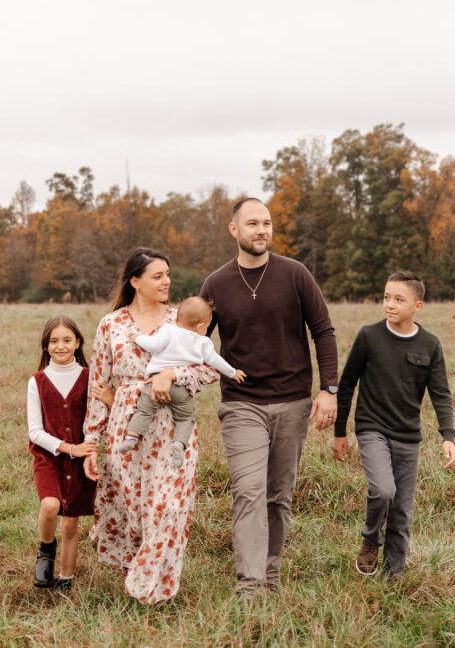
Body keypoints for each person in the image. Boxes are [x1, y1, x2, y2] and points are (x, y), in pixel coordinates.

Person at [199, 197, 339, 600]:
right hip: (241, 404)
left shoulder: (296, 274)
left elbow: (324, 332)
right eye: (253, 224)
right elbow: (195, 343)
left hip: (293, 402)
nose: (262, 230)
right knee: (248, 491)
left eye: (267, 223)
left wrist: (329, 390)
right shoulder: (216, 284)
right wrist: (167, 377)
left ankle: (270, 574)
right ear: (234, 230)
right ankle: (249, 586)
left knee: (278, 497)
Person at [82, 248, 219, 604]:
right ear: (135, 281)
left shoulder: (182, 318)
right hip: (126, 428)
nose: (167, 282)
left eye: (168, 275)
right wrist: (91, 444)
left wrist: (173, 373)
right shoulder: (111, 324)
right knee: (134, 509)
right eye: (157, 276)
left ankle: (149, 584)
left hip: (172, 425)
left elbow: (209, 368)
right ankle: (139, 575)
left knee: (168, 506)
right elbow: (98, 386)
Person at [331, 271, 455, 580]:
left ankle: (394, 577)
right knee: (383, 490)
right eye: (386, 297)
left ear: (418, 305)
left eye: (399, 299)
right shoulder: (368, 336)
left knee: (402, 511)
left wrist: (448, 435)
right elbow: (346, 385)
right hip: (372, 428)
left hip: (408, 437)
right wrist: (340, 432)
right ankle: (371, 538)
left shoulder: (429, 344)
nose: (389, 304)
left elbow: (440, 392)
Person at [119, 296, 246, 468]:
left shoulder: (168, 329)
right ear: (200, 326)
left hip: (154, 382)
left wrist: (138, 338)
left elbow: (154, 345)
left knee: (144, 410)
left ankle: (131, 437)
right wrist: (232, 372)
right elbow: (216, 361)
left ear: (177, 318)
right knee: (185, 418)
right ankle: (179, 443)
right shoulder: (203, 342)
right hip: (182, 387)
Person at [26, 315, 98, 589]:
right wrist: (70, 448)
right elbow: (35, 432)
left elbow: (95, 418)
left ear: (77, 343)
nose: (61, 346)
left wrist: (88, 447)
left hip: (80, 462)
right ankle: (46, 550)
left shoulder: (89, 378)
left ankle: (65, 580)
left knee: (70, 525)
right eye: (54, 341)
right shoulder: (38, 381)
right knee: (50, 505)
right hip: (50, 457)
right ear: (45, 346)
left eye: (67, 340)